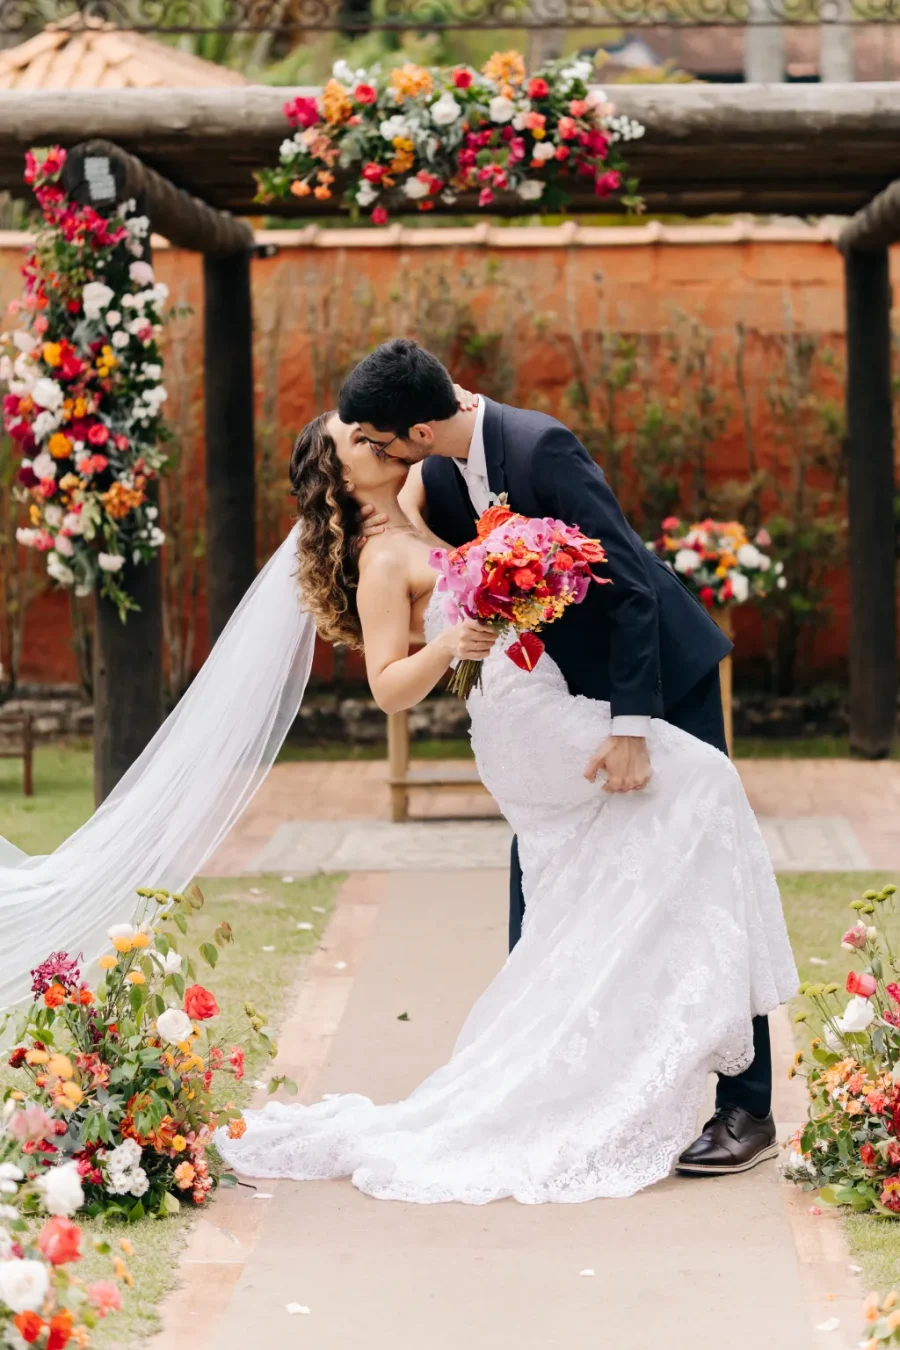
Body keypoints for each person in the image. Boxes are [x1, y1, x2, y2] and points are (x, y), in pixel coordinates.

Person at [214, 398, 798, 1203]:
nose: (372, 437)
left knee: (601, 879)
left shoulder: (425, 494)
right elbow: (389, 688)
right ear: (339, 478)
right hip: (531, 725)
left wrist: (493, 634)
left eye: (370, 427)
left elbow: (454, 473)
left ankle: (583, 1069)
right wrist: (453, 647)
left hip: (539, 706)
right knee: (705, 788)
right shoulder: (382, 560)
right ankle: (659, 1077)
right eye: (353, 438)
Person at [335, 339, 776, 1175]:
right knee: (545, 868)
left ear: (422, 428)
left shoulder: (540, 449)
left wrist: (632, 728)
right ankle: (539, 1069)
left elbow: (634, 586)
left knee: (704, 862)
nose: (381, 456)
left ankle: (747, 1109)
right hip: (562, 707)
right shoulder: (433, 481)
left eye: (383, 441)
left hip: (654, 683)